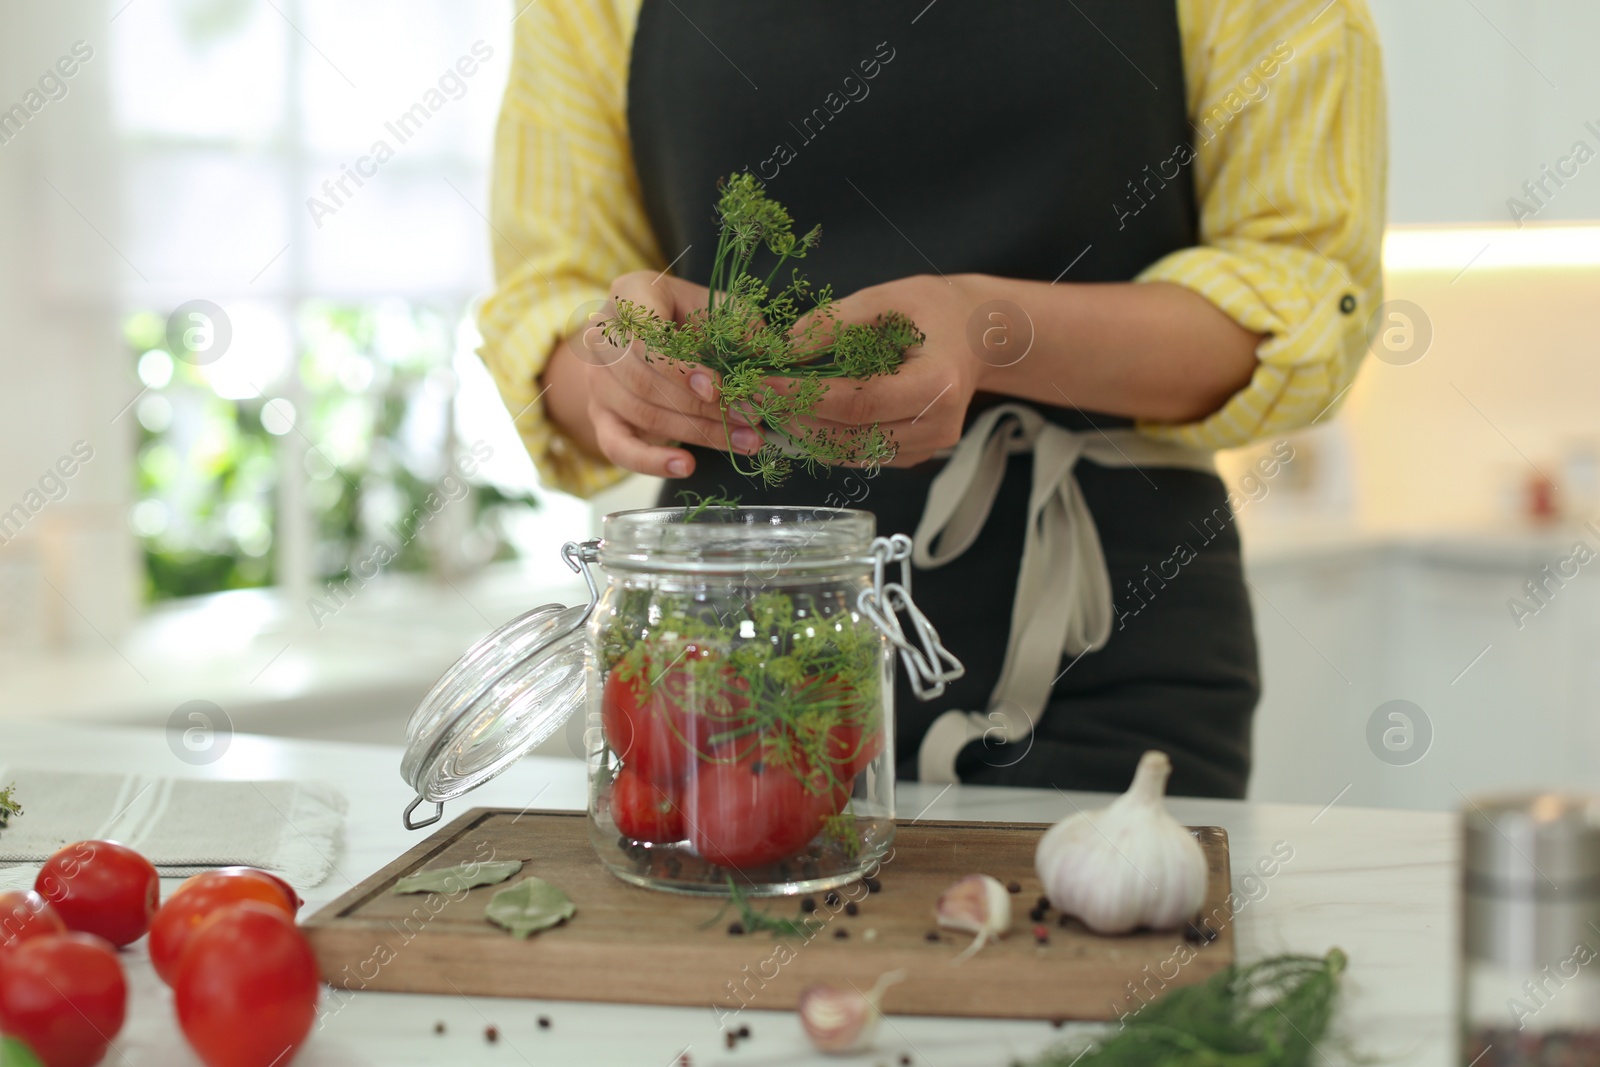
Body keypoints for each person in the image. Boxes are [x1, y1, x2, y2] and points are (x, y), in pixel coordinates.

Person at [477, 0, 1386, 797]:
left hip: (1105, 635)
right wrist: (620, 369)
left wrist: (987, 328)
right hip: (723, 646)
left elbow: (1304, 289)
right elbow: (547, 305)